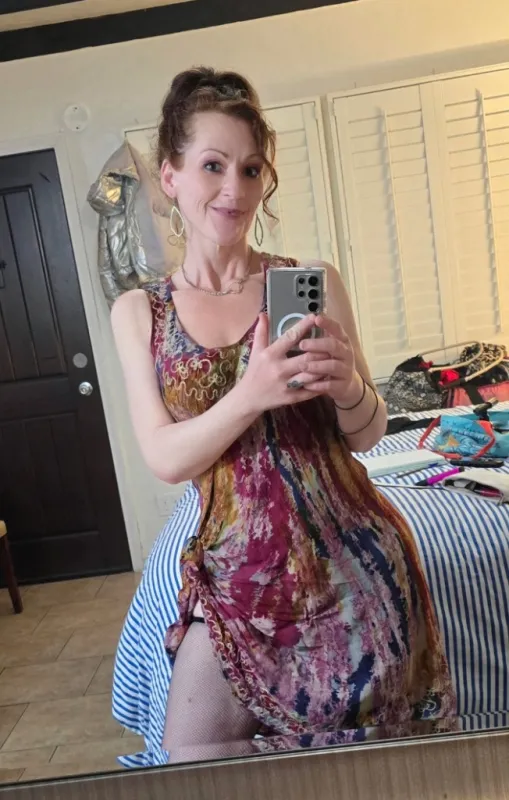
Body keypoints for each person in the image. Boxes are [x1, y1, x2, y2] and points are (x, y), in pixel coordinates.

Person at [111, 66, 456, 763]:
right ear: (170, 176)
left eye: (250, 169)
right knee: (194, 759)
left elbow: (365, 434)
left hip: (354, 557)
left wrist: (348, 386)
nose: (234, 189)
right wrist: (253, 391)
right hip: (236, 574)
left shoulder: (311, 281)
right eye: (212, 165)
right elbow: (165, 457)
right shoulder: (140, 311)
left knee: (378, 768)